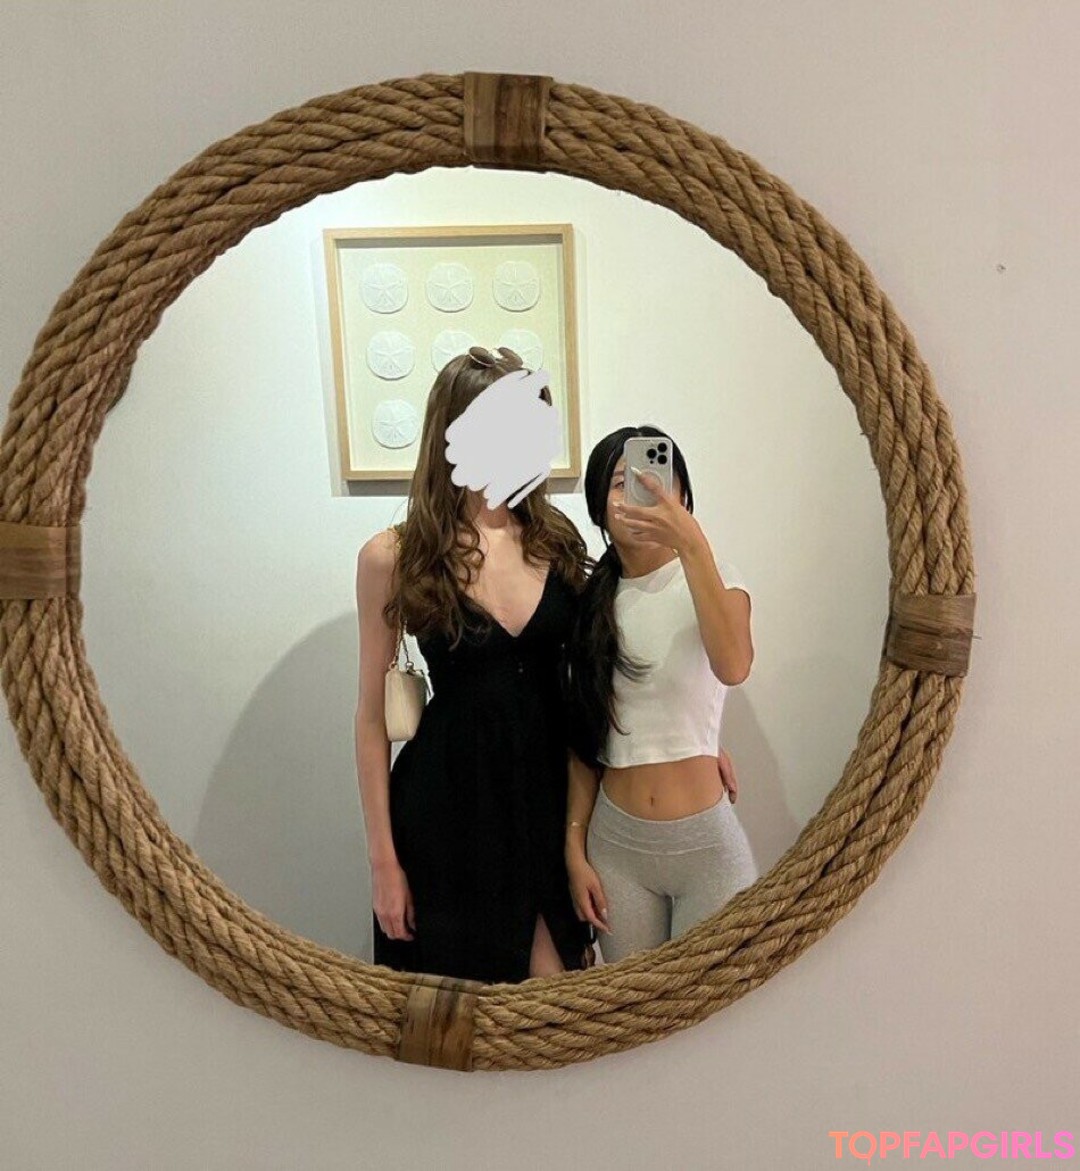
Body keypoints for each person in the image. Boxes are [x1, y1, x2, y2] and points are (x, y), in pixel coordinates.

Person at [354, 345, 596, 983]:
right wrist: (384, 863)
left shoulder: (555, 540)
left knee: (557, 1008)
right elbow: (371, 718)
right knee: (454, 1019)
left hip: (548, 804)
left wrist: (693, 738)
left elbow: (599, 678)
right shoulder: (395, 556)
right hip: (447, 811)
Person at [562, 426, 759, 963]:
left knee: (717, 1001)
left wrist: (691, 542)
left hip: (706, 848)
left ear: (683, 495)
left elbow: (733, 666)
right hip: (615, 847)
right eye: (621, 483)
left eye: (657, 479)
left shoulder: (718, 580)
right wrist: (574, 847)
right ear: (599, 509)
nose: (642, 492)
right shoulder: (590, 606)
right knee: (632, 1008)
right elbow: (584, 737)